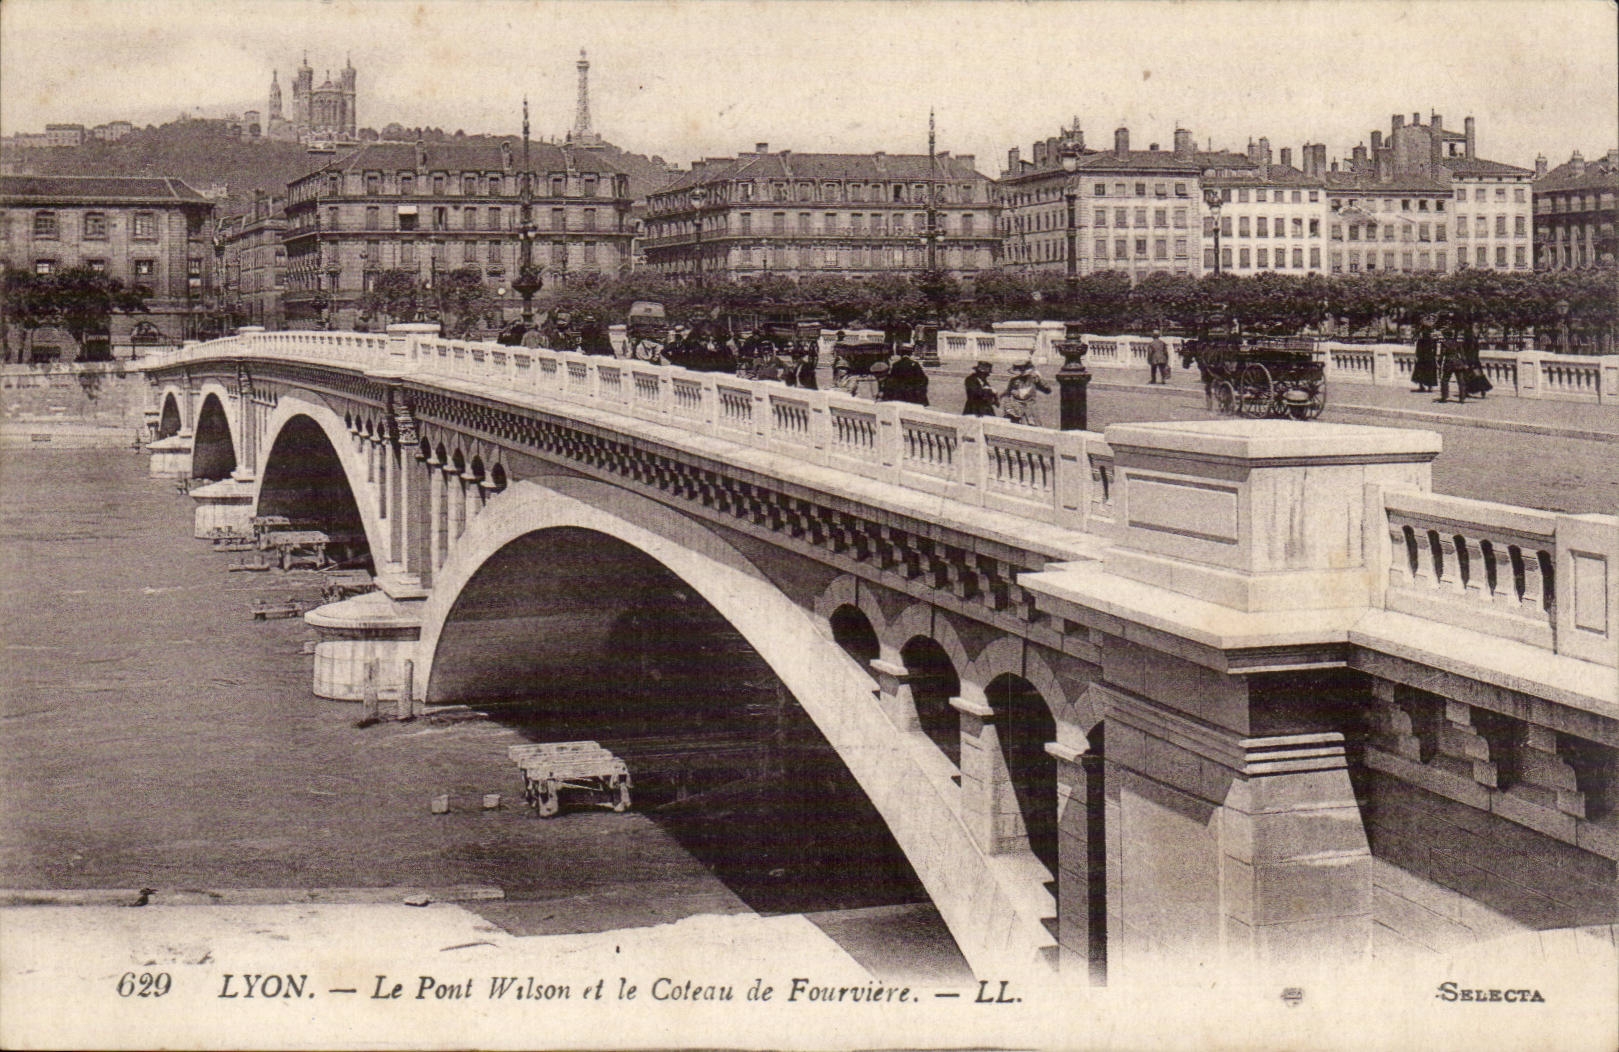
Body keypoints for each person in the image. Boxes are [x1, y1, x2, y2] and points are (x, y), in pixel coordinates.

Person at [1000, 361, 1052, 426]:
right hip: (1016, 410)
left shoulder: (1034, 379)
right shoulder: (1014, 380)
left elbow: (1047, 390)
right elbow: (1007, 394)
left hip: (1030, 410)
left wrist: (1040, 379)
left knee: (1033, 428)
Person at [1437, 330, 1470, 404]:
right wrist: (1465, 363)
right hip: (1458, 363)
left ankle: (1444, 397)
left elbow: (1442, 355)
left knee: (1444, 380)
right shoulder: (1458, 343)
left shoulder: (1444, 344)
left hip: (1448, 363)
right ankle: (1462, 398)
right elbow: (1462, 355)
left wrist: (1439, 363)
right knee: (1461, 381)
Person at [1411, 317, 1439, 392]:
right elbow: (1435, 347)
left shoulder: (1422, 336)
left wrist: (1417, 355)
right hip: (1429, 355)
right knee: (1429, 371)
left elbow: (1419, 346)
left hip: (1422, 355)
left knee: (1421, 370)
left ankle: (1422, 386)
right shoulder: (1432, 336)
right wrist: (1435, 355)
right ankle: (1429, 387)